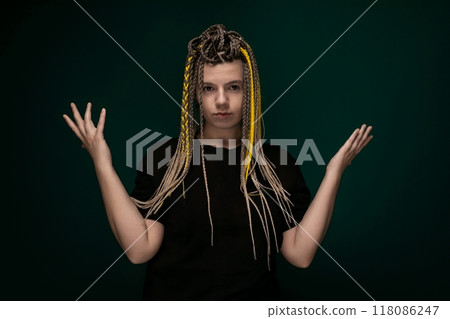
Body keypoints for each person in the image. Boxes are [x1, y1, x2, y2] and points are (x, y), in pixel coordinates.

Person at [62, 24, 373, 301]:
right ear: (196, 94)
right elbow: (139, 250)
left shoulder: (277, 165)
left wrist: (334, 173)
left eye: (233, 87)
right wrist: (102, 162)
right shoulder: (164, 160)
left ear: (248, 92)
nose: (221, 101)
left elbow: (299, 254)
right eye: (209, 88)